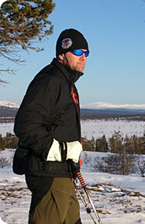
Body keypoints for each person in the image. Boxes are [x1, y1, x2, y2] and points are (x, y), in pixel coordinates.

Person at [13, 28, 89, 224]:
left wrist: (69, 156)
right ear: (62, 54)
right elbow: (25, 124)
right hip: (48, 173)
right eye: (78, 52)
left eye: (86, 53)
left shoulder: (66, 83)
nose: (83, 58)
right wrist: (58, 150)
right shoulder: (51, 80)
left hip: (62, 173)